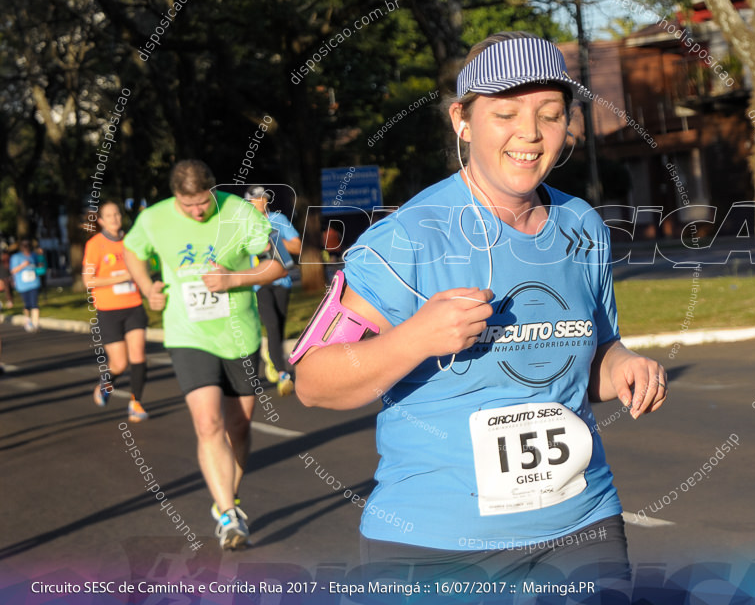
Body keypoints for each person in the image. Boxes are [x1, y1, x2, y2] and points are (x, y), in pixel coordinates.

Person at [295, 32, 667, 586]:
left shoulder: (582, 226)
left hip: (582, 526)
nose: (530, 133)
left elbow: (594, 356)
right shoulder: (405, 239)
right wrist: (415, 338)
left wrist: (625, 366)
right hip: (435, 544)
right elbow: (313, 381)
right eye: (505, 113)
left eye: (550, 114)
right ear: (462, 121)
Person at [123, 160, 285, 550]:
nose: (197, 212)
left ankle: (226, 496)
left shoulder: (238, 211)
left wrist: (233, 279)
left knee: (239, 426)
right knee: (208, 422)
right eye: (187, 205)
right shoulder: (154, 217)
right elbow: (132, 250)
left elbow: (278, 265)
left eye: (203, 203)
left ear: (214, 191)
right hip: (187, 333)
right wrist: (147, 288)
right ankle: (229, 516)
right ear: (175, 196)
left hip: (239, 334)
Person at [83, 200, 151, 421]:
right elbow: (88, 280)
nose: (115, 218)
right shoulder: (95, 244)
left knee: (138, 354)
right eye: (109, 215)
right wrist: (122, 276)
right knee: (120, 363)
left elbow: (146, 265)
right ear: (101, 221)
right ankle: (105, 384)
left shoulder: (131, 242)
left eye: (117, 214)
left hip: (133, 306)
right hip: (108, 310)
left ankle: (136, 403)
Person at [244, 186, 301, 396]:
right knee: (273, 325)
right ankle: (283, 373)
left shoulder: (279, 219)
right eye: (256, 199)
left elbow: (297, 246)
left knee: (280, 326)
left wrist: (275, 239)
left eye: (263, 198)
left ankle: (272, 355)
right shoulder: (244, 225)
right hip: (259, 282)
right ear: (249, 202)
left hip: (282, 280)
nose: (261, 201)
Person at [10, 240, 41, 332]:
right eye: (24, 246)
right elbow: (13, 271)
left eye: (27, 246)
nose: (26, 248)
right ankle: (28, 320)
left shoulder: (33, 255)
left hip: (34, 283)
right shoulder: (16, 257)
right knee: (27, 304)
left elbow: (39, 265)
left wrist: (41, 256)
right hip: (22, 285)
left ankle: (35, 324)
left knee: (34, 303)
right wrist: (23, 265)